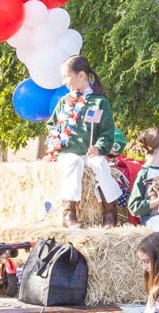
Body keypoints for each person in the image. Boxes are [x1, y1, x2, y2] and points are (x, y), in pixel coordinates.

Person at [44, 55, 122, 229]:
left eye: (66, 76)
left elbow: (107, 132)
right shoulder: (64, 102)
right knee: (73, 163)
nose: (63, 81)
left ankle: (110, 212)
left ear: (80, 75)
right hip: (69, 152)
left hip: (89, 153)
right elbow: (52, 125)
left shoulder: (99, 102)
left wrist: (99, 148)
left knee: (101, 164)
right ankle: (68, 214)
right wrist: (55, 139)